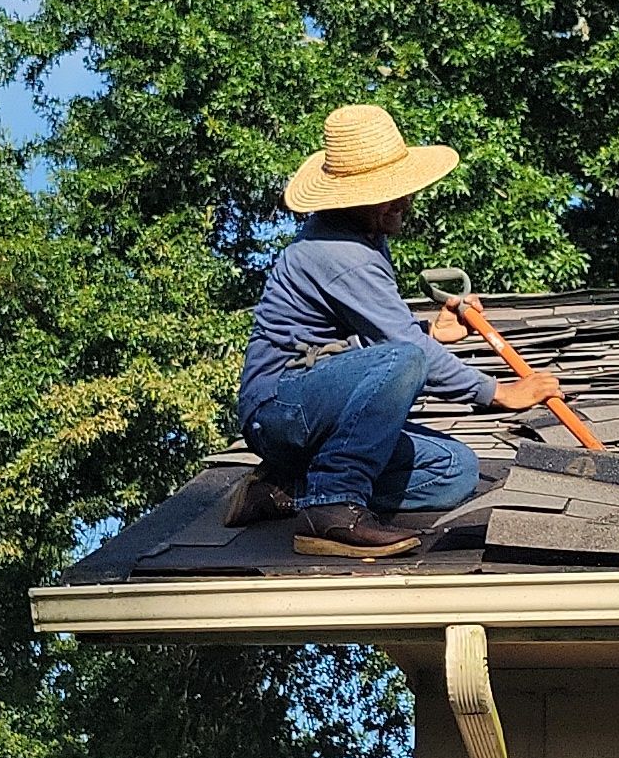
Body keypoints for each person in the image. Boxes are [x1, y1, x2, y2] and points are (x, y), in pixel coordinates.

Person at [231, 104, 552, 559]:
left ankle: (286, 489)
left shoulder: (361, 238)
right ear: (350, 198)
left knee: (455, 472)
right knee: (407, 356)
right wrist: (498, 393)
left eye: (403, 189)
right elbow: (398, 350)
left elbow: (368, 341)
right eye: (389, 193)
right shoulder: (340, 254)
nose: (404, 201)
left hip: (319, 408)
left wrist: (431, 335)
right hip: (280, 408)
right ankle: (333, 509)